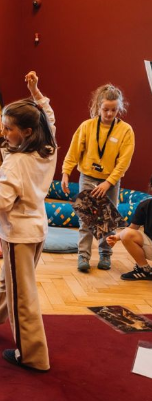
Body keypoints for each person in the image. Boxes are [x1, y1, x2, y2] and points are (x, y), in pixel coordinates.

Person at [0, 71, 56, 373]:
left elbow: (1, 202)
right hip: (37, 230)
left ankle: (32, 356)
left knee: (23, 297)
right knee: (11, 282)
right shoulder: (48, 149)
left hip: (18, 234)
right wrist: (36, 92)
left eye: (9, 129)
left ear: (28, 132)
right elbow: (49, 117)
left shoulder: (15, 161)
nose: (4, 133)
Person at [61, 83, 135, 272]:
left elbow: (123, 162)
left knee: (107, 220)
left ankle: (105, 255)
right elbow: (73, 152)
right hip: (87, 177)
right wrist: (66, 172)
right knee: (86, 220)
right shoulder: (87, 126)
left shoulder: (126, 130)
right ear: (97, 107)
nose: (109, 114)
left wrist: (108, 182)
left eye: (114, 110)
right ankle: (83, 256)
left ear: (119, 108)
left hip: (111, 180)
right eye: (105, 109)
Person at [106, 176, 152, 281]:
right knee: (127, 234)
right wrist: (116, 237)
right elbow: (132, 229)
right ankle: (144, 269)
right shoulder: (145, 206)